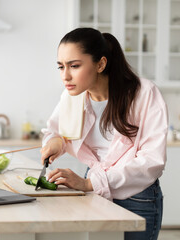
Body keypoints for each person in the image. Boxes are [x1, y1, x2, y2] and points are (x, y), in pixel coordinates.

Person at [41, 28, 168, 240]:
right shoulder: (72, 95)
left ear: (100, 64)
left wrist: (90, 184)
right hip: (92, 191)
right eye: (61, 66)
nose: (65, 75)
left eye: (74, 66)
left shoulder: (144, 93)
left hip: (136, 197)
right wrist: (55, 142)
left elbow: (151, 161)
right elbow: (55, 131)